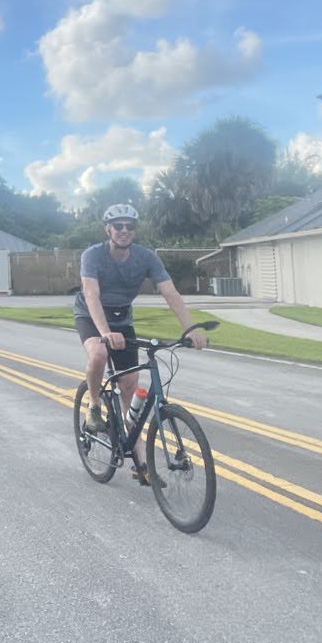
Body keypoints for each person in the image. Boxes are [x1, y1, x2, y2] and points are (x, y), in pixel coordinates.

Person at [74, 203, 207, 483]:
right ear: (107, 229)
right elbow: (91, 294)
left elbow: (170, 292)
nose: (124, 231)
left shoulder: (146, 257)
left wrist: (191, 328)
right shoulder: (93, 255)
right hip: (91, 314)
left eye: (129, 226)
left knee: (130, 384)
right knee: (98, 354)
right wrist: (104, 332)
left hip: (122, 318)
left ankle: (140, 463)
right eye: (118, 226)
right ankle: (95, 407)